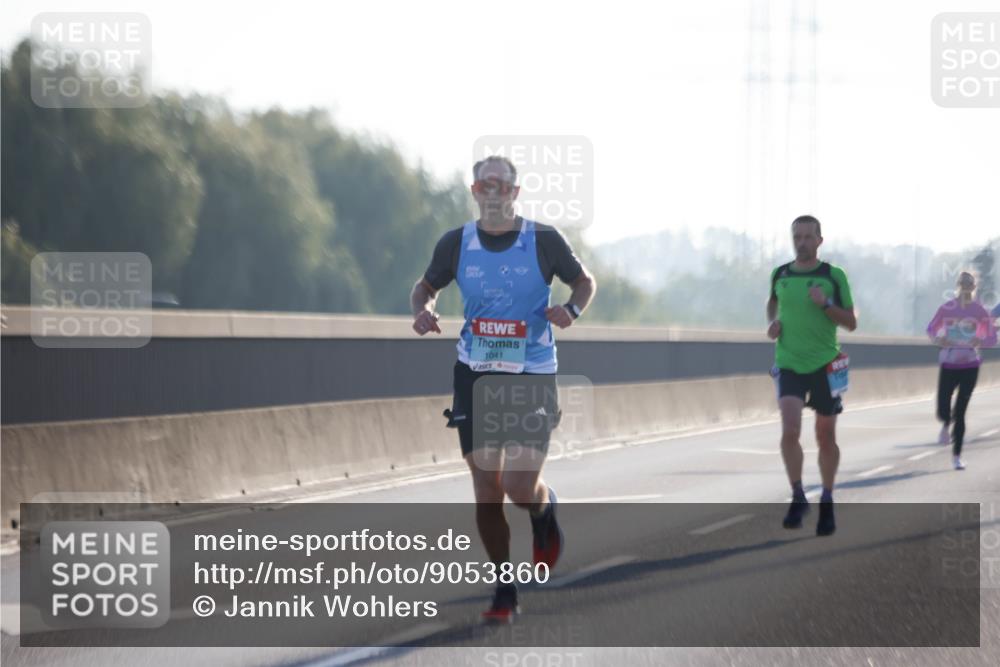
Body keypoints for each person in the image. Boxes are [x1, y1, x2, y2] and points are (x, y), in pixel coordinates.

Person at [410, 155, 596, 621]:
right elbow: (425, 286)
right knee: (486, 489)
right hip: (475, 372)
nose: (492, 191)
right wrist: (422, 310)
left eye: (501, 185)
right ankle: (504, 587)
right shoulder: (457, 243)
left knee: (517, 484)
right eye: (484, 184)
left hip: (531, 373)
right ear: (475, 191)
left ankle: (542, 511)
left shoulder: (544, 240)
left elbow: (584, 282)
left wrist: (570, 311)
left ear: (515, 193)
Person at [766, 215, 857, 537]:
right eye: (797, 237)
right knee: (789, 430)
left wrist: (826, 304)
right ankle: (798, 495)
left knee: (825, 438)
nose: (801, 242)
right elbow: (773, 306)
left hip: (825, 365)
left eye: (807, 237)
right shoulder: (781, 273)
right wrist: (773, 326)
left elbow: (851, 322)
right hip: (789, 362)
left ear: (819, 240)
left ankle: (828, 500)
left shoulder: (833, 275)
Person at [926, 271, 997, 470]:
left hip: (970, 365)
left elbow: (992, 338)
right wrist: (940, 339)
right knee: (943, 407)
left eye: (970, 285)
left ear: (974, 287)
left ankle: (956, 456)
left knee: (961, 410)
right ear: (958, 286)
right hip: (949, 363)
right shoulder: (947, 308)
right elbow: (931, 328)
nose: (966, 287)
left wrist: (979, 340)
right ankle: (945, 423)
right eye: (963, 284)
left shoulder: (980, 310)